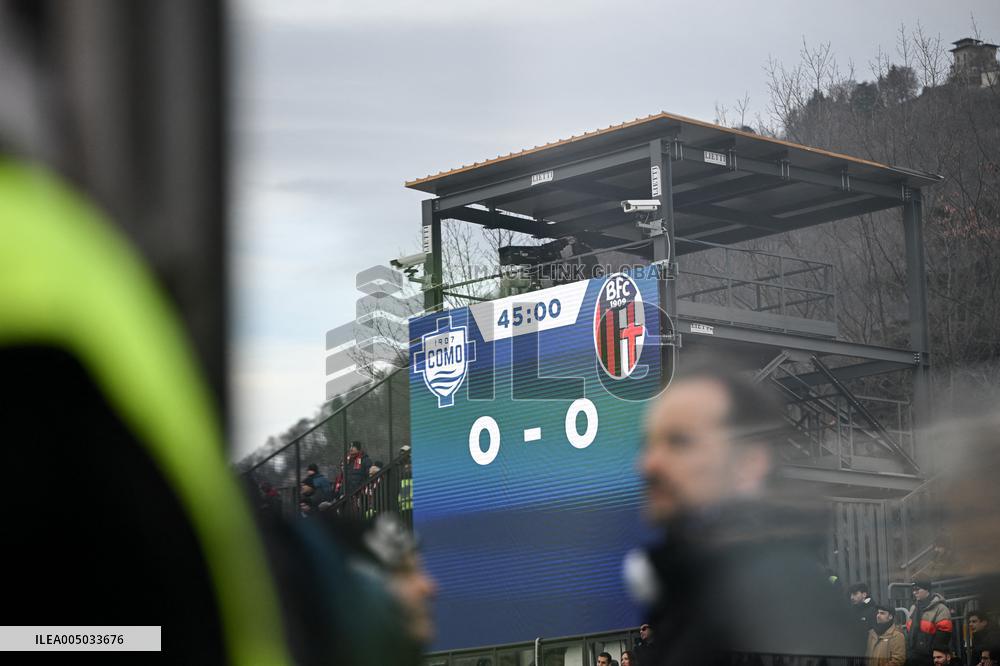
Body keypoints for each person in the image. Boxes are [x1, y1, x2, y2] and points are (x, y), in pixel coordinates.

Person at [629, 359, 855, 664]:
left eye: (679, 442)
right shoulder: (688, 593)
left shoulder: (782, 601)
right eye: (647, 444)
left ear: (749, 462)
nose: (648, 465)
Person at [906, 579, 953, 666]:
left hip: (930, 657)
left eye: (917, 589)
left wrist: (934, 655)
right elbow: (909, 632)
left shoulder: (940, 608)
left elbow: (944, 634)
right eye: (913, 590)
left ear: (927, 589)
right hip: (913, 656)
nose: (914, 592)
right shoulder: (913, 608)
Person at [851, 582, 879, 651]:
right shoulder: (853, 609)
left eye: (855, 594)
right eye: (851, 594)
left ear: (864, 594)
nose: (851, 597)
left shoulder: (873, 610)